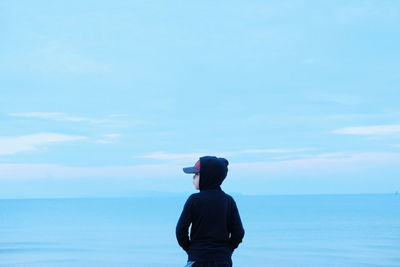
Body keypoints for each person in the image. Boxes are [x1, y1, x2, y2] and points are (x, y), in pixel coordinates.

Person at [176, 156, 245, 267]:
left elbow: (180, 230)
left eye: (197, 174)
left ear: (208, 176)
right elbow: (238, 233)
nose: (193, 178)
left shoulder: (194, 200)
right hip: (222, 261)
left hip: (197, 259)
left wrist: (191, 249)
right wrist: (227, 250)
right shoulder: (228, 201)